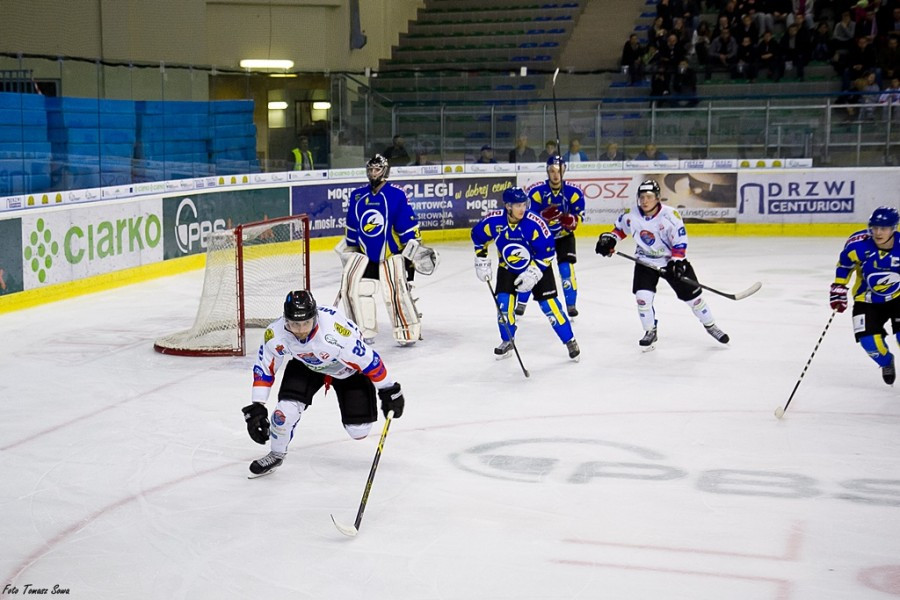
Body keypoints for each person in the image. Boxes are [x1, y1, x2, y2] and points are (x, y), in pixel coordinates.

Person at [241, 290, 406, 478]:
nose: (301, 330)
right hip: (307, 366)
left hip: (349, 372)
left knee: (359, 431)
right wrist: (258, 404)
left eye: (306, 323)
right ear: (285, 320)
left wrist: (389, 389)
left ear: (315, 318)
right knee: (283, 414)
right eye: (295, 324)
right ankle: (277, 453)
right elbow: (264, 367)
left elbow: (370, 361)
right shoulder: (275, 334)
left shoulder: (336, 336)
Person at [594, 179, 730, 350]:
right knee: (643, 298)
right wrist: (609, 240)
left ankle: (711, 326)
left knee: (694, 299)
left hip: (671, 261)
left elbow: (680, 241)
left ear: (657, 198)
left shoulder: (670, 216)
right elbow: (619, 230)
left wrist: (677, 262)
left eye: (649, 197)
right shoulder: (631, 215)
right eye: (642, 197)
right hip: (645, 261)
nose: (644, 201)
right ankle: (650, 330)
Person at [337, 154, 439, 346]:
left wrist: (412, 253)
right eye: (370, 169)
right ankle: (365, 330)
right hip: (366, 256)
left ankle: (407, 330)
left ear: (385, 171)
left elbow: (407, 227)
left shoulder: (396, 195)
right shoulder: (358, 195)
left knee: (396, 293)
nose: (373, 173)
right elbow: (352, 225)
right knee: (360, 291)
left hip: (392, 256)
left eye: (377, 170)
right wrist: (350, 249)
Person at [471, 187, 580, 361]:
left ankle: (569, 340)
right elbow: (478, 237)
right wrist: (481, 259)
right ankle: (507, 340)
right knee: (503, 305)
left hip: (538, 266)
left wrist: (534, 272)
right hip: (508, 267)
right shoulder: (494, 221)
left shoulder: (534, 223)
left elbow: (548, 251)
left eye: (524, 204)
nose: (522, 209)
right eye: (517, 205)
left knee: (549, 306)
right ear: (507, 206)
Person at [830, 206, 900, 385]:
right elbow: (845, 265)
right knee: (869, 343)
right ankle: (886, 362)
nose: (877, 232)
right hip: (866, 300)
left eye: (883, 228)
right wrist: (839, 286)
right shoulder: (857, 244)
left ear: (894, 228)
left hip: (898, 298)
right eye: (874, 227)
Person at [517, 155, 586, 318]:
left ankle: (571, 305)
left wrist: (572, 220)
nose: (556, 175)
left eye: (559, 171)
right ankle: (521, 302)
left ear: (564, 171)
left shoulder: (574, 193)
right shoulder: (536, 192)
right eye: (552, 171)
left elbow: (579, 217)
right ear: (547, 171)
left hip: (564, 236)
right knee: (532, 267)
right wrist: (543, 216)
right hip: (541, 237)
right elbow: (528, 217)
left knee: (566, 268)